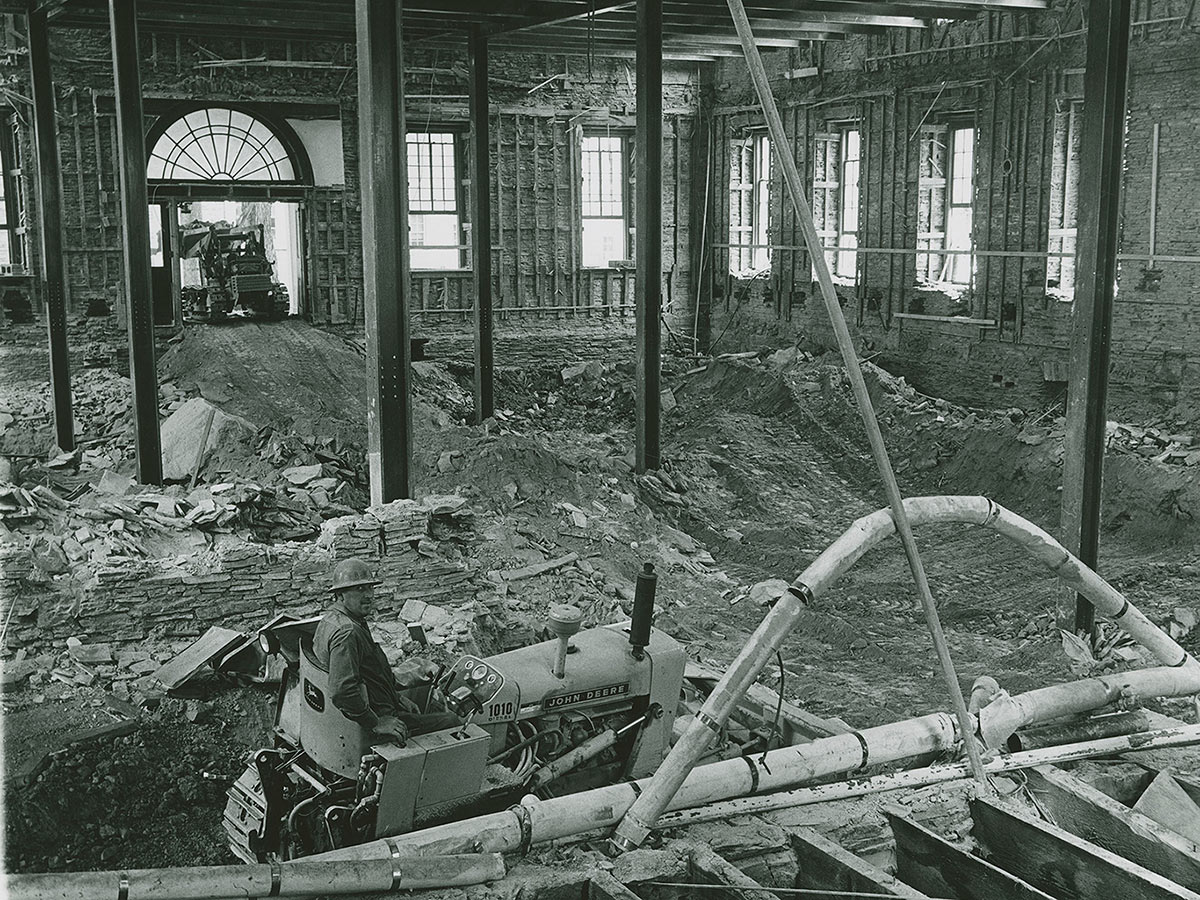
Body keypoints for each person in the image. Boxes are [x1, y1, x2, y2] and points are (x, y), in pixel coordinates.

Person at [313, 557, 458, 745]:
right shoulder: (347, 633)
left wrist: (397, 698)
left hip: (377, 704)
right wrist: (375, 722)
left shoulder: (334, 619)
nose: (368, 595)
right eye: (359, 589)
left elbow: (371, 674)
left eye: (370, 588)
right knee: (452, 721)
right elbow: (342, 691)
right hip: (375, 719)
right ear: (340, 595)